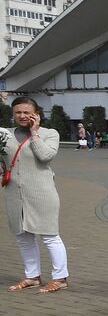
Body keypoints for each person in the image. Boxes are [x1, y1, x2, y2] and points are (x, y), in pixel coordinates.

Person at [3, 97, 69, 293]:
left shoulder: (49, 133)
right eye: (18, 112)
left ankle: (60, 278)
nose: (22, 116)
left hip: (42, 193)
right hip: (14, 193)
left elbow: (46, 156)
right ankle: (32, 276)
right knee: (23, 236)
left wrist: (34, 133)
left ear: (36, 114)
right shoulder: (5, 135)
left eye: (27, 112)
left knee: (50, 236)